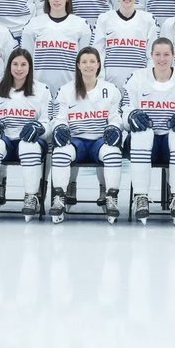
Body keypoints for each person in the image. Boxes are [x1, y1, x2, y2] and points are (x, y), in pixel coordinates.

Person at [121, 38, 175, 224]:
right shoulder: (137, 78)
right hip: (146, 142)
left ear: (173, 55)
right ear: (151, 55)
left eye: (166, 54)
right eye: (157, 54)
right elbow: (125, 112)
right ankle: (140, 197)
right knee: (141, 133)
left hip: (172, 142)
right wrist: (131, 116)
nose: (162, 59)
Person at [48, 47, 125, 223]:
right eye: (84, 62)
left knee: (113, 152)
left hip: (100, 141)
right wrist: (60, 128)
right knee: (60, 152)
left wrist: (115, 128)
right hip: (77, 142)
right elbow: (59, 118)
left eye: (92, 61)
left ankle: (111, 197)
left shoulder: (110, 89)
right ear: (78, 65)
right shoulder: (66, 90)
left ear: (98, 64)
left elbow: (116, 118)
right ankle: (59, 198)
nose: (88, 65)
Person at [0, 48, 53, 221]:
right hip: (5, 142)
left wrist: (39, 128)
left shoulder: (41, 89)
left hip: (29, 142)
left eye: (23, 64)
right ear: (8, 66)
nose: (19, 68)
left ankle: (31, 196)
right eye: (15, 64)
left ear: (30, 67)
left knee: (28, 146)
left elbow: (48, 122)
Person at [21, 0, 93, 94]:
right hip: (38, 89)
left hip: (71, 89)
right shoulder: (33, 24)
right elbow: (25, 59)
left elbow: (85, 62)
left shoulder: (81, 25)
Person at [94, 0, 157, 89]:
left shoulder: (148, 20)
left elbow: (151, 56)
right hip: (110, 84)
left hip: (138, 85)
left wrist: (147, 80)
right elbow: (98, 53)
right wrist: (101, 80)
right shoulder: (104, 19)